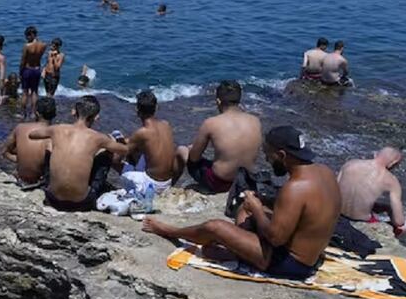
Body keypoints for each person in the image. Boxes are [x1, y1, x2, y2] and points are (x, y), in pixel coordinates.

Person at [144, 126, 340, 281]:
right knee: (243, 211)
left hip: (291, 264)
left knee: (216, 227)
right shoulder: (326, 172)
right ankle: (236, 251)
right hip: (308, 254)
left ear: (282, 155)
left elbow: (276, 239)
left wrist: (257, 209)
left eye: (268, 154)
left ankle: (168, 231)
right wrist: (257, 208)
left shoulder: (295, 188)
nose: (267, 159)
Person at [28, 96, 128, 211]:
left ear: (73, 111)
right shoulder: (98, 137)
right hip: (81, 203)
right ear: (96, 117)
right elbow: (124, 150)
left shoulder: (57, 129)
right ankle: (95, 187)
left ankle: (48, 181)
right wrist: (115, 140)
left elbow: (32, 135)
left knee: (50, 145)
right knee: (106, 153)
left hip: (52, 198)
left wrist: (53, 135)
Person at [180, 81, 262, 194]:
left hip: (219, 183)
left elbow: (194, 158)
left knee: (183, 151)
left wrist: (191, 149)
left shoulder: (211, 123)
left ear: (218, 101)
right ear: (239, 100)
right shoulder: (255, 121)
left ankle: (166, 186)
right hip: (245, 181)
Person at [116, 90, 184, 194]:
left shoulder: (142, 132)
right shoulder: (166, 124)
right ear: (156, 108)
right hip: (168, 182)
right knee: (141, 150)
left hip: (153, 185)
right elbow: (150, 142)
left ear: (137, 111)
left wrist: (114, 143)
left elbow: (122, 153)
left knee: (112, 159)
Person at [338, 147, 406, 236]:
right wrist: (389, 209)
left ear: (375, 154)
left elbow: (334, 191)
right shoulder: (392, 181)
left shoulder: (350, 164)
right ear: (393, 163)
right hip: (362, 224)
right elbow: (399, 222)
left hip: (337, 216)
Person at [2, 96, 56, 187]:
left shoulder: (20, 128)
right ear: (54, 114)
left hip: (22, 179)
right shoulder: (56, 133)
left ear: (37, 113)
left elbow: (4, 152)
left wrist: (21, 160)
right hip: (43, 180)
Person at [19, 26, 47, 120]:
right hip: (37, 69)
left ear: (31, 35)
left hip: (27, 69)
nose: (26, 38)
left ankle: (23, 113)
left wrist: (20, 71)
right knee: (35, 91)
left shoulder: (27, 46)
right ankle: (33, 112)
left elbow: (23, 61)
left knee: (25, 92)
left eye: (27, 36)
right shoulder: (43, 45)